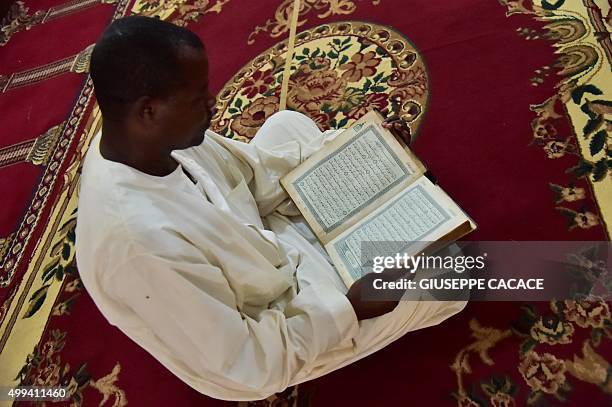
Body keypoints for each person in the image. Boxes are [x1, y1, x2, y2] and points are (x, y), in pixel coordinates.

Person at [75, 15, 466, 401]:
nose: (213, 103)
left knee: (286, 122)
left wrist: (361, 147)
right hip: (273, 318)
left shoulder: (146, 142)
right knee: (454, 276)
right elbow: (247, 361)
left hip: (259, 245)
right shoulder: (139, 244)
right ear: (148, 111)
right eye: (198, 97)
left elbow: (252, 173)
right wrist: (348, 307)